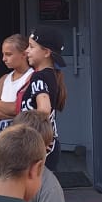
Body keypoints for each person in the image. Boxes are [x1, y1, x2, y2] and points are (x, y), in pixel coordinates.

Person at [21, 28, 68, 173]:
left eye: (31, 47)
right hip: (46, 146)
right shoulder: (51, 75)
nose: (26, 51)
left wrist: (37, 139)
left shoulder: (39, 76)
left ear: (46, 52)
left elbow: (44, 110)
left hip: (39, 147)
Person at [0, 34, 34, 133]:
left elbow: (18, 108)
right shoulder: (4, 79)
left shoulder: (31, 77)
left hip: (20, 134)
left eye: (9, 54)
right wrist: (13, 116)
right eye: (3, 54)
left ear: (24, 54)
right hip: (2, 135)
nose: (4, 59)